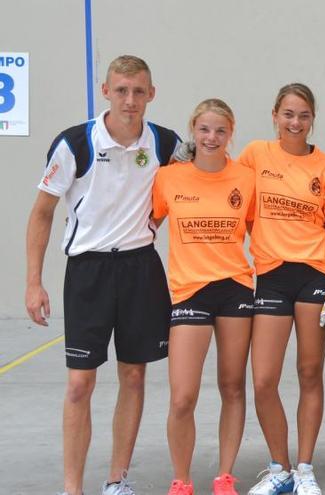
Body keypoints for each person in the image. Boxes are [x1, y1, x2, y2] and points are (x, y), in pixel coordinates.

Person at [24, 55, 179, 495]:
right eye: (121, 90)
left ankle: (117, 480)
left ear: (152, 93)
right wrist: (34, 282)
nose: (130, 100)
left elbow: (194, 189)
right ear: (106, 91)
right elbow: (41, 214)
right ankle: (73, 487)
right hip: (88, 272)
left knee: (134, 375)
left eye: (139, 91)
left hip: (140, 269)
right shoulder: (75, 144)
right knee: (80, 383)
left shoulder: (167, 143)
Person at [239, 83, 325, 495]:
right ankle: (279, 467)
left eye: (303, 115)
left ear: (312, 119)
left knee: (309, 372)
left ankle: (304, 467)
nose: (295, 122)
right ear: (275, 115)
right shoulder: (255, 155)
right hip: (270, 275)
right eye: (288, 113)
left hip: (314, 277)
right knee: (264, 379)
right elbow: (231, 193)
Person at [152, 99, 255, 495]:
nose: (211, 138)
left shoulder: (245, 178)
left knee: (232, 386)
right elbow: (145, 224)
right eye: (204, 130)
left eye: (220, 131)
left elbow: (259, 231)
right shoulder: (169, 179)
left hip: (234, 289)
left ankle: (225, 476)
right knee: (182, 397)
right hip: (189, 291)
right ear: (193, 131)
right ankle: (181, 481)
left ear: (231, 134)